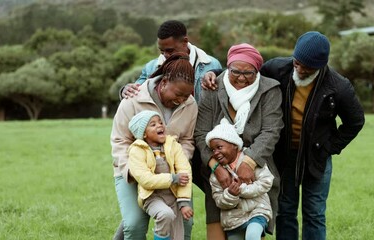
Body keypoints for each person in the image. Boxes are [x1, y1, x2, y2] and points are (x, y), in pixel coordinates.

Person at [202, 31, 366, 240]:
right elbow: (245, 69)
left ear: (321, 65)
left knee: (314, 212)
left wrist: (329, 147)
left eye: (307, 68)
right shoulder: (279, 67)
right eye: (297, 63)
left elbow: (356, 121)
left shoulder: (338, 86)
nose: (299, 69)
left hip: (316, 157)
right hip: (284, 155)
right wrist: (214, 72)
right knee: (285, 210)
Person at [194, 43, 283, 240]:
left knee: (253, 225)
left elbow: (271, 130)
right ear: (228, 67)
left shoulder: (269, 90)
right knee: (216, 229)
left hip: (256, 172)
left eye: (249, 73)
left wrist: (248, 162)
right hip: (217, 173)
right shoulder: (212, 87)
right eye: (236, 72)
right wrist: (216, 166)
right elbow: (200, 133)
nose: (241, 78)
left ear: (257, 71)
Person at [111, 52, 198, 240]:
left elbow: (187, 140)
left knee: (185, 222)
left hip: (173, 174)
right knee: (134, 225)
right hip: (134, 173)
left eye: (187, 95)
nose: (183, 99)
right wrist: (135, 171)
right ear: (164, 82)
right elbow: (119, 140)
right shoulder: (133, 99)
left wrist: (176, 163)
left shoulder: (190, 105)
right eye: (178, 94)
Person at [127, 110, 193, 240]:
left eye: (160, 122)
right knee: (165, 214)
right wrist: (173, 178)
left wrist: (184, 201)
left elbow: (185, 171)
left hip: (173, 195)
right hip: (152, 196)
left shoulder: (173, 145)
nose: (159, 126)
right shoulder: (136, 151)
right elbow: (145, 180)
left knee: (178, 236)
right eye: (153, 124)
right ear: (144, 133)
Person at [121, 19, 222, 103]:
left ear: (185, 42)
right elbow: (135, 93)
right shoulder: (151, 68)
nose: (166, 55)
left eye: (170, 50)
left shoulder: (212, 65)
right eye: (162, 51)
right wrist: (125, 90)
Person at [206, 118, 274, 240]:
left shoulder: (250, 161)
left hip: (257, 211)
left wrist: (242, 189)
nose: (215, 152)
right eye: (213, 150)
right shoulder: (216, 175)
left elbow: (266, 181)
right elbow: (219, 200)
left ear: (234, 146)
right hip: (233, 220)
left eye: (219, 147)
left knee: (252, 236)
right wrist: (231, 194)